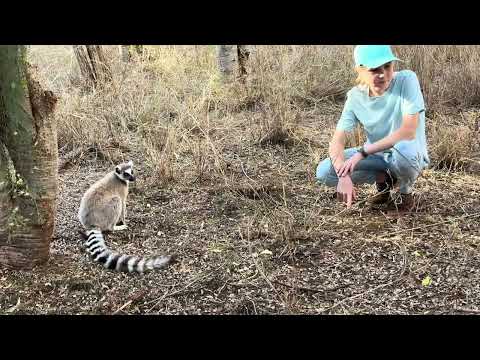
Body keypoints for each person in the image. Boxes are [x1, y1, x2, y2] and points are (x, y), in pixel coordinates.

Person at [315, 45, 429, 213]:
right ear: (360, 71)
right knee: (325, 171)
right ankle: (384, 180)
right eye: (374, 69)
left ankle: (406, 194)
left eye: (387, 66)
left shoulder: (407, 80)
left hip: (406, 153)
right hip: (377, 156)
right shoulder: (355, 97)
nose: (383, 74)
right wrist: (343, 174)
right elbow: (337, 140)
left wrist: (362, 152)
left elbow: (408, 131)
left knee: (405, 148)